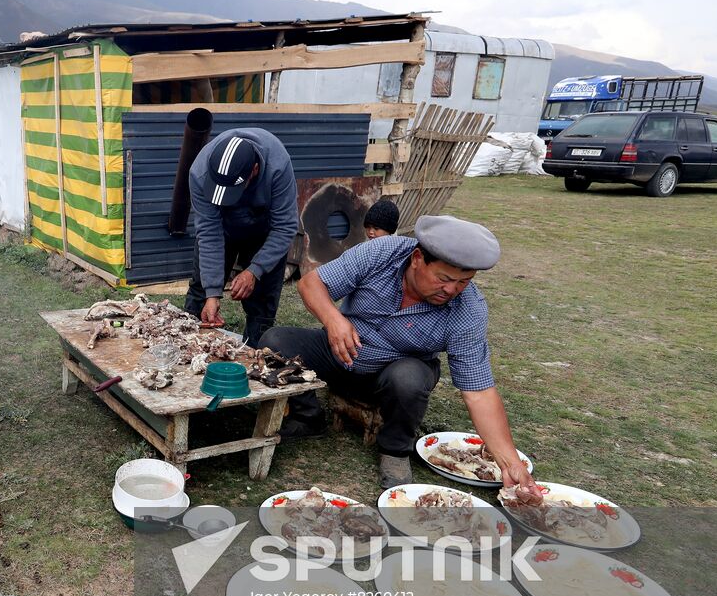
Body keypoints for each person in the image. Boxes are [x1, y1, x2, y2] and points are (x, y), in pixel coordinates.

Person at [259, 215, 541, 495]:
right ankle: (309, 417)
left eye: (464, 282)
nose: (452, 290)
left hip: (394, 374)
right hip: (340, 352)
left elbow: (479, 392)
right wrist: (333, 320)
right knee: (275, 341)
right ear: (417, 258)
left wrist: (510, 463)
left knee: (409, 377)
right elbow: (311, 284)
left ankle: (395, 451)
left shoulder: (468, 310)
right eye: (444, 279)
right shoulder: (381, 252)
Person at [184, 128, 299, 347]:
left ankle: (255, 356)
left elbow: (285, 226)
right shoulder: (199, 173)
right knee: (200, 293)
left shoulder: (277, 165)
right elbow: (208, 232)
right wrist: (212, 292)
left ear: (255, 170)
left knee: (262, 302)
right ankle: (186, 349)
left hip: (263, 230)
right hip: (221, 229)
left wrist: (254, 270)